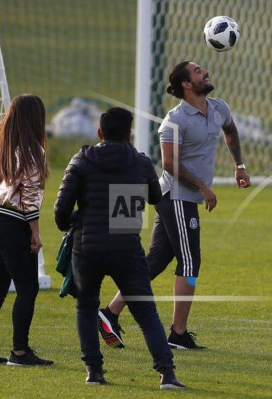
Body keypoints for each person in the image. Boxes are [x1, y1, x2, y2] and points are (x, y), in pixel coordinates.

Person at [98, 61, 251, 350]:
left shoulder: (219, 109)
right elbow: (169, 164)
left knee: (155, 261)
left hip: (186, 198)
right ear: (187, 85)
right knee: (190, 263)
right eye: (198, 71)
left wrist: (239, 166)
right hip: (176, 197)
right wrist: (203, 187)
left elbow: (231, 131)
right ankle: (178, 334)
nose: (206, 71)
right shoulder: (174, 120)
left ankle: (108, 313)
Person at [54, 107, 184, 388]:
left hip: (87, 246)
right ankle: (167, 373)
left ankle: (94, 371)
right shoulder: (140, 162)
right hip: (126, 246)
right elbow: (153, 196)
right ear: (129, 134)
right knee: (146, 312)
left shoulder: (82, 160)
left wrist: (70, 226)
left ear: (100, 133)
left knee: (86, 307)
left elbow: (61, 208)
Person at [0, 94, 53, 366]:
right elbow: (30, 196)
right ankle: (20, 352)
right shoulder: (33, 150)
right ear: (36, 119)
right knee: (27, 287)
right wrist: (35, 232)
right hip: (10, 223)